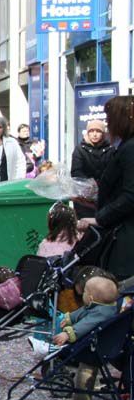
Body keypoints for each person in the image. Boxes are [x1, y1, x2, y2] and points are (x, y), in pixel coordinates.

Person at [77, 96, 134, 280]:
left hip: (125, 237)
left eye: (110, 119)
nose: (108, 125)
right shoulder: (125, 146)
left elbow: (130, 195)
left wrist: (99, 218)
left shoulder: (129, 148)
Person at [53, 276, 120, 400]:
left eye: (84, 292)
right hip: (99, 346)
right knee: (86, 370)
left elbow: (86, 324)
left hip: (96, 349)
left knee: (85, 371)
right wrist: (69, 318)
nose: (82, 294)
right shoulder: (99, 306)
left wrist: (68, 334)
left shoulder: (101, 313)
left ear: (90, 297)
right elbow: (82, 312)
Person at [70, 118, 113, 219]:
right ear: (87, 133)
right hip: (84, 198)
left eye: (98, 131)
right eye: (92, 131)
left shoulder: (111, 150)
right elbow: (76, 172)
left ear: (103, 133)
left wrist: (102, 184)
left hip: (105, 196)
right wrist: (89, 184)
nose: (94, 134)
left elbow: (113, 172)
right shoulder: (79, 150)